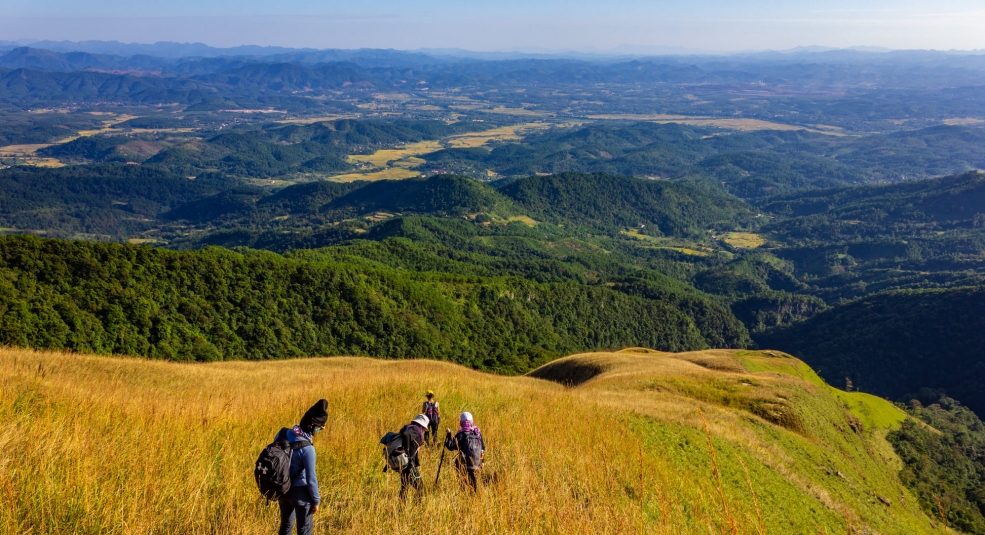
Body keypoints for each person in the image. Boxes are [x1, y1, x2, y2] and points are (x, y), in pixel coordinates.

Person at [277, 399, 328, 535]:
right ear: (313, 426)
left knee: (285, 527)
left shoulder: (282, 433)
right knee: (304, 531)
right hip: (300, 495)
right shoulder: (308, 449)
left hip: (282, 490)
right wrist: (316, 501)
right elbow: (311, 479)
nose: (320, 431)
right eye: (320, 428)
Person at [444, 411, 485, 493]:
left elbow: (451, 447)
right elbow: (482, 449)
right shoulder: (477, 433)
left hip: (463, 463)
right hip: (476, 462)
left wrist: (449, 435)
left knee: (462, 478)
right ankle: (474, 494)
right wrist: (482, 461)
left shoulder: (461, 434)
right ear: (472, 422)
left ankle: (463, 491)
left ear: (461, 422)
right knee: (473, 478)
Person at [398, 413, 429, 498]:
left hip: (403, 463)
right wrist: (408, 451)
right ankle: (417, 508)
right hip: (409, 464)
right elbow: (406, 434)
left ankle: (401, 509)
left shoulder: (408, 427)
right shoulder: (415, 429)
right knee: (420, 487)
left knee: (405, 487)